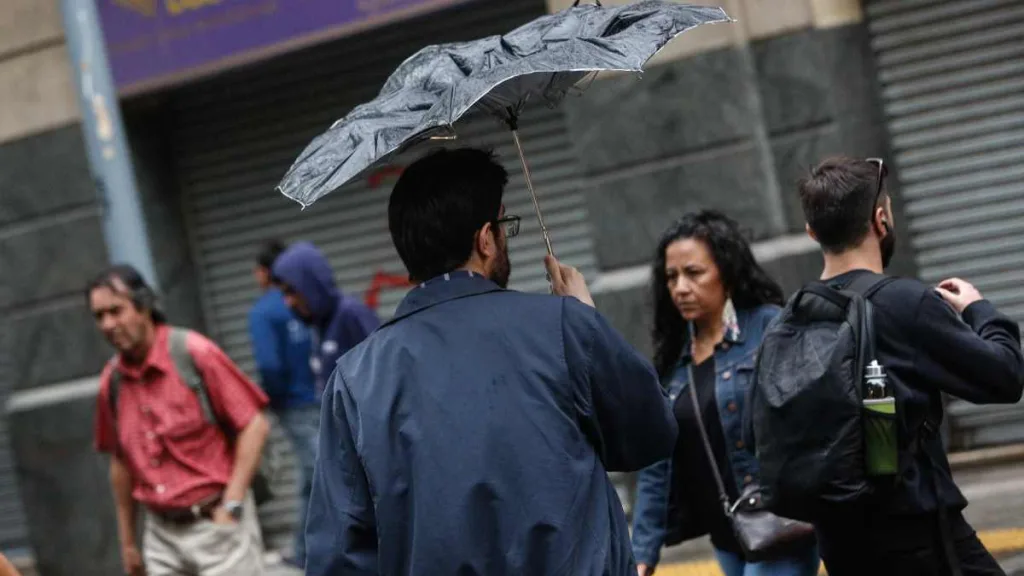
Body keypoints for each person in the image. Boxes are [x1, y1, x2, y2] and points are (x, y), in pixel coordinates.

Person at [304, 147, 678, 575]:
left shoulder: (354, 380)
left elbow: (338, 554)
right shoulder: (562, 327)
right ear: (485, 238)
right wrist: (585, 319)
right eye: (504, 226)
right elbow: (651, 432)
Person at [793, 157, 1024, 575]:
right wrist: (979, 309)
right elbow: (1005, 376)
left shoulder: (793, 315)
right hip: (919, 536)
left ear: (813, 233)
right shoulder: (903, 303)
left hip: (840, 543)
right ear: (880, 221)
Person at [630, 211, 819, 576]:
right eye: (671, 277)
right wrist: (642, 554)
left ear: (726, 274)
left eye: (693, 272)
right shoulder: (674, 363)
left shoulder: (768, 327)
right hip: (728, 537)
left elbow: (811, 417)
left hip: (780, 525)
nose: (680, 287)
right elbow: (657, 469)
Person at [90, 265, 271, 576]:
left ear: (144, 305)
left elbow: (254, 424)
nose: (108, 324)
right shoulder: (112, 382)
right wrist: (128, 542)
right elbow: (121, 462)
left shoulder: (194, 353)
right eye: (99, 316)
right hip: (161, 537)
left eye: (116, 311)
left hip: (217, 528)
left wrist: (232, 504)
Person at [248, 239, 320, 568]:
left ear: (265, 272)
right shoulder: (305, 298)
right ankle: (305, 550)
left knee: (317, 474)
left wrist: (274, 399)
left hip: (294, 404)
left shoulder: (263, 312)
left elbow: (269, 365)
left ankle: (311, 552)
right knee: (315, 473)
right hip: (323, 394)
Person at [272, 242, 381, 392]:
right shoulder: (320, 325)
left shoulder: (351, 314)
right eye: (284, 294)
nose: (288, 302)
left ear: (310, 283)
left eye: (291, 291)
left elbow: (386, 370)